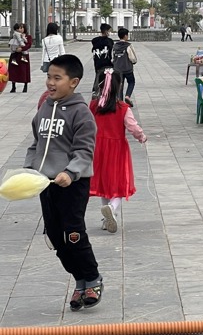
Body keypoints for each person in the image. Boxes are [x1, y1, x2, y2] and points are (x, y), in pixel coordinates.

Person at [25, 54, 102, 311]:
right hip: (45, 183)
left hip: (72, 183)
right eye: (49, 77)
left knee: (73, 234)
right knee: (56, 236)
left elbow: (85, 149)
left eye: (57, 78)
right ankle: (79, 280)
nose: (50, 82)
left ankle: (92, 277)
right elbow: (36, 143)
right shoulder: (44, 106)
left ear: (74, 82)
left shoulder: (81, 113)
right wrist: (29, 169)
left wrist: (70, 172)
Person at [89, 68, 147, 234]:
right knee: (119, 184)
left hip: (97, 149)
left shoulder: (93, 106)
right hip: (117, 150)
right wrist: (142, 137)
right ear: (119, 86)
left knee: (103, 183)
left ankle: (106, 217)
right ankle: (112, 209)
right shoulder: (123, 108)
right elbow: (133, 128)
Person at [111, 27, 138, 105]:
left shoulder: (115, 46)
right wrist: (134, 62)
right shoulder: (128, 45)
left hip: (117, 69)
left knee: (120, 85)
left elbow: (112, 58)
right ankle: (127, 96)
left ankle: (120, 101)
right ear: (125, 36)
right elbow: (133, 58)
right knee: (131, 82)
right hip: (127, 69)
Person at [7, 22, 31, 93]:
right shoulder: (15, 35)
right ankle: (13, 86)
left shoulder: (28, 36)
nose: (20, 29)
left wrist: (22, 49)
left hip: (23, 55)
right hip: (15, 55)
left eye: (21, 28)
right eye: (19, 28)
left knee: (24, 70)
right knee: (13, 70)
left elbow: (28, 44)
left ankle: (25, 86)